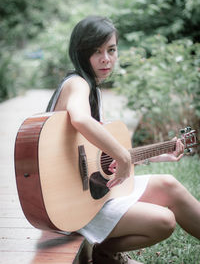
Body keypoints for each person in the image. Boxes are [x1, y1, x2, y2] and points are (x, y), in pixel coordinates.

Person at [46, 16, 200, 264]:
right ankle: (106, 254)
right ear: (80, 52)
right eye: (96, 51)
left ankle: (106, 254)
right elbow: (80, 120)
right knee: (164, 220)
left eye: (111, 49)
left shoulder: (93, 89)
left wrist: (154, 155)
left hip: (91, 192)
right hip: (72, 203)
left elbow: (102, 159)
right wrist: (123, 155)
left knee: (169, 184)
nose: (106, 58)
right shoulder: (77, 84)